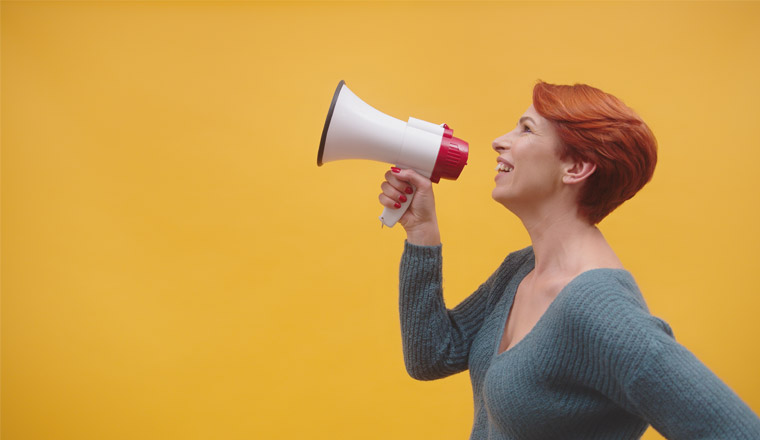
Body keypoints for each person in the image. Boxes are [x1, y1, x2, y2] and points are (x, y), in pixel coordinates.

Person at [378, 81, 760, 439]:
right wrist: (421, 231)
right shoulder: (522, 269)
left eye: (526, 129)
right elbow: (431, 355)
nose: (499, 142)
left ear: (576, 168)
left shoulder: (600, 312)